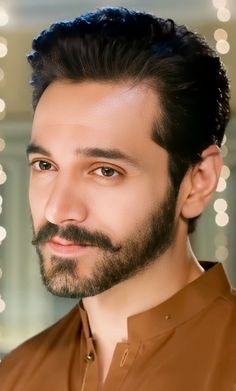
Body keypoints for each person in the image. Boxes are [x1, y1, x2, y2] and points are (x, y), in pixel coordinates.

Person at [0, 6, 235, 391]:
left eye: (105, 170)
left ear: (198, 182)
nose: (58, 209)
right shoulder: (15, 377)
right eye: (45, 165)